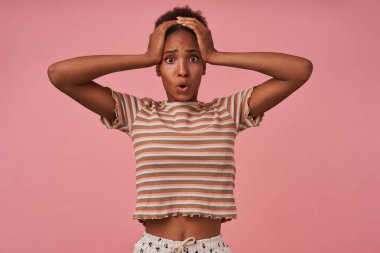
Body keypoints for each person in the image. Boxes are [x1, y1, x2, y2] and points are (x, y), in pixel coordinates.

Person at [47, 5, 313, 253]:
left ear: (204, 66)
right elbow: (60, 74)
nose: (183, 70)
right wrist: (145, 56)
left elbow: (300, 70)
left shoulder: (226, 112)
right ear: (158, 68)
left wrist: (217, 55)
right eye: (170, 59)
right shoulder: (139, 113)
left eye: (194, 58)